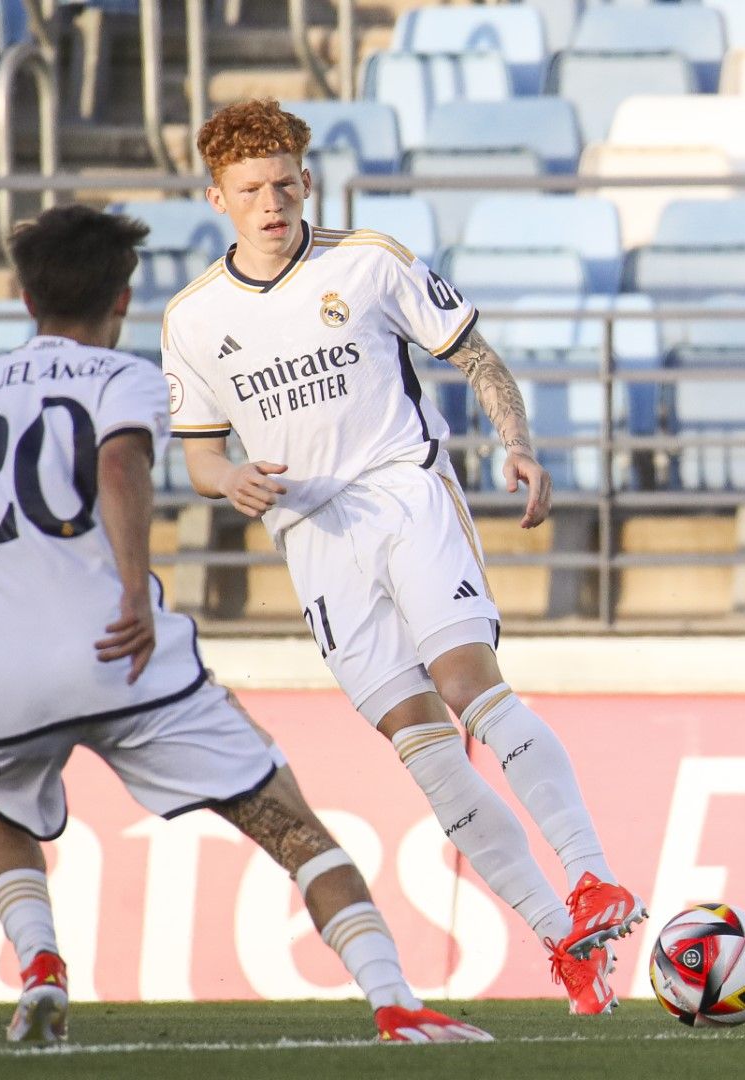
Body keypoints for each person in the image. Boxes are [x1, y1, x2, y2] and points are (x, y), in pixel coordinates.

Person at [0, 204, 489, 1046]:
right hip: (124, 653)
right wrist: (126, 592)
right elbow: (118, 463)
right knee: (287, 819)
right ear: (122, 299)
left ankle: (39, 964)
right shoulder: (125, 380)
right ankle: (393, 1000)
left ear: (20, 294)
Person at [161, 99, 645, 1015]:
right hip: (313, 540)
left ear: (307, 179)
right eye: (251, 189)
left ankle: (593, 877)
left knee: (467, 683)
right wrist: (230, 481)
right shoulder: (193, 320)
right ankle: (565, 942)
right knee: (423, 749)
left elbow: (480, 358)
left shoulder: (368, 262)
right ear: (218, 197)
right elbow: (197, 453)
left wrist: (519, 442)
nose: (273, 202)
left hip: (404, 493)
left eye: (285, 182)